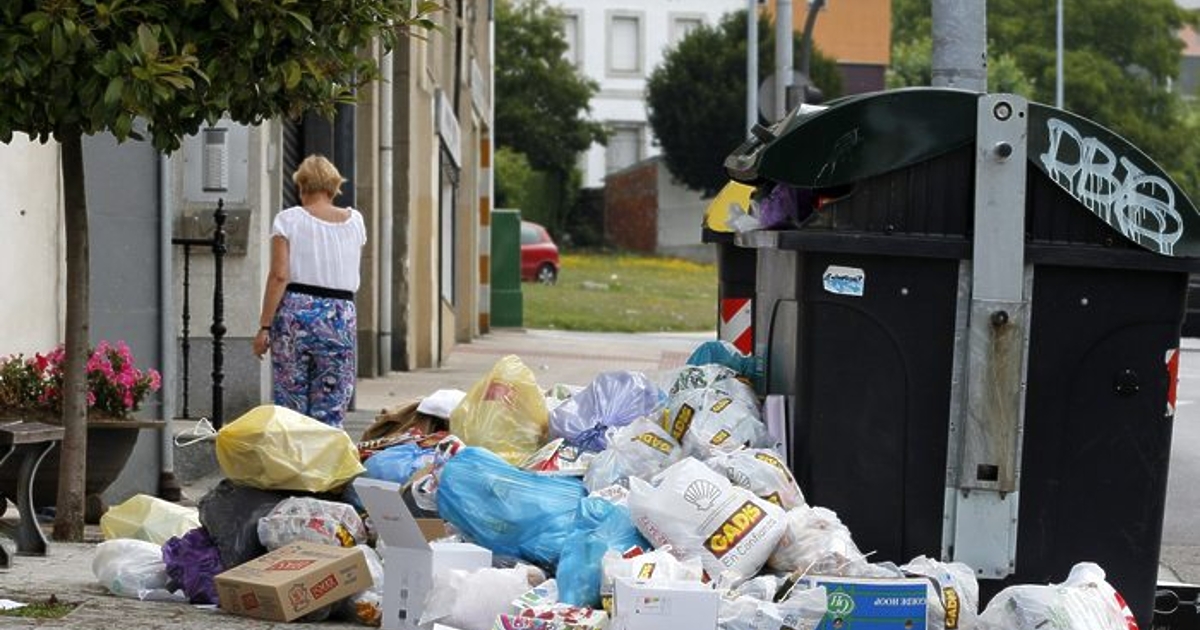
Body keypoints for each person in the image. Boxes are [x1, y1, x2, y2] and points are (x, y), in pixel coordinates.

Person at [253, 155, 365, 429]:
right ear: (333, 187)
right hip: (340, 315)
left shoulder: (287, 220)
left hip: (295, 314)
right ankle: (324, 465)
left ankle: (294, 464)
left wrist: (264, 326)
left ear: (302, 186)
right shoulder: (355, 222)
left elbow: (279, 275)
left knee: (291, 400)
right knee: (332, 399)